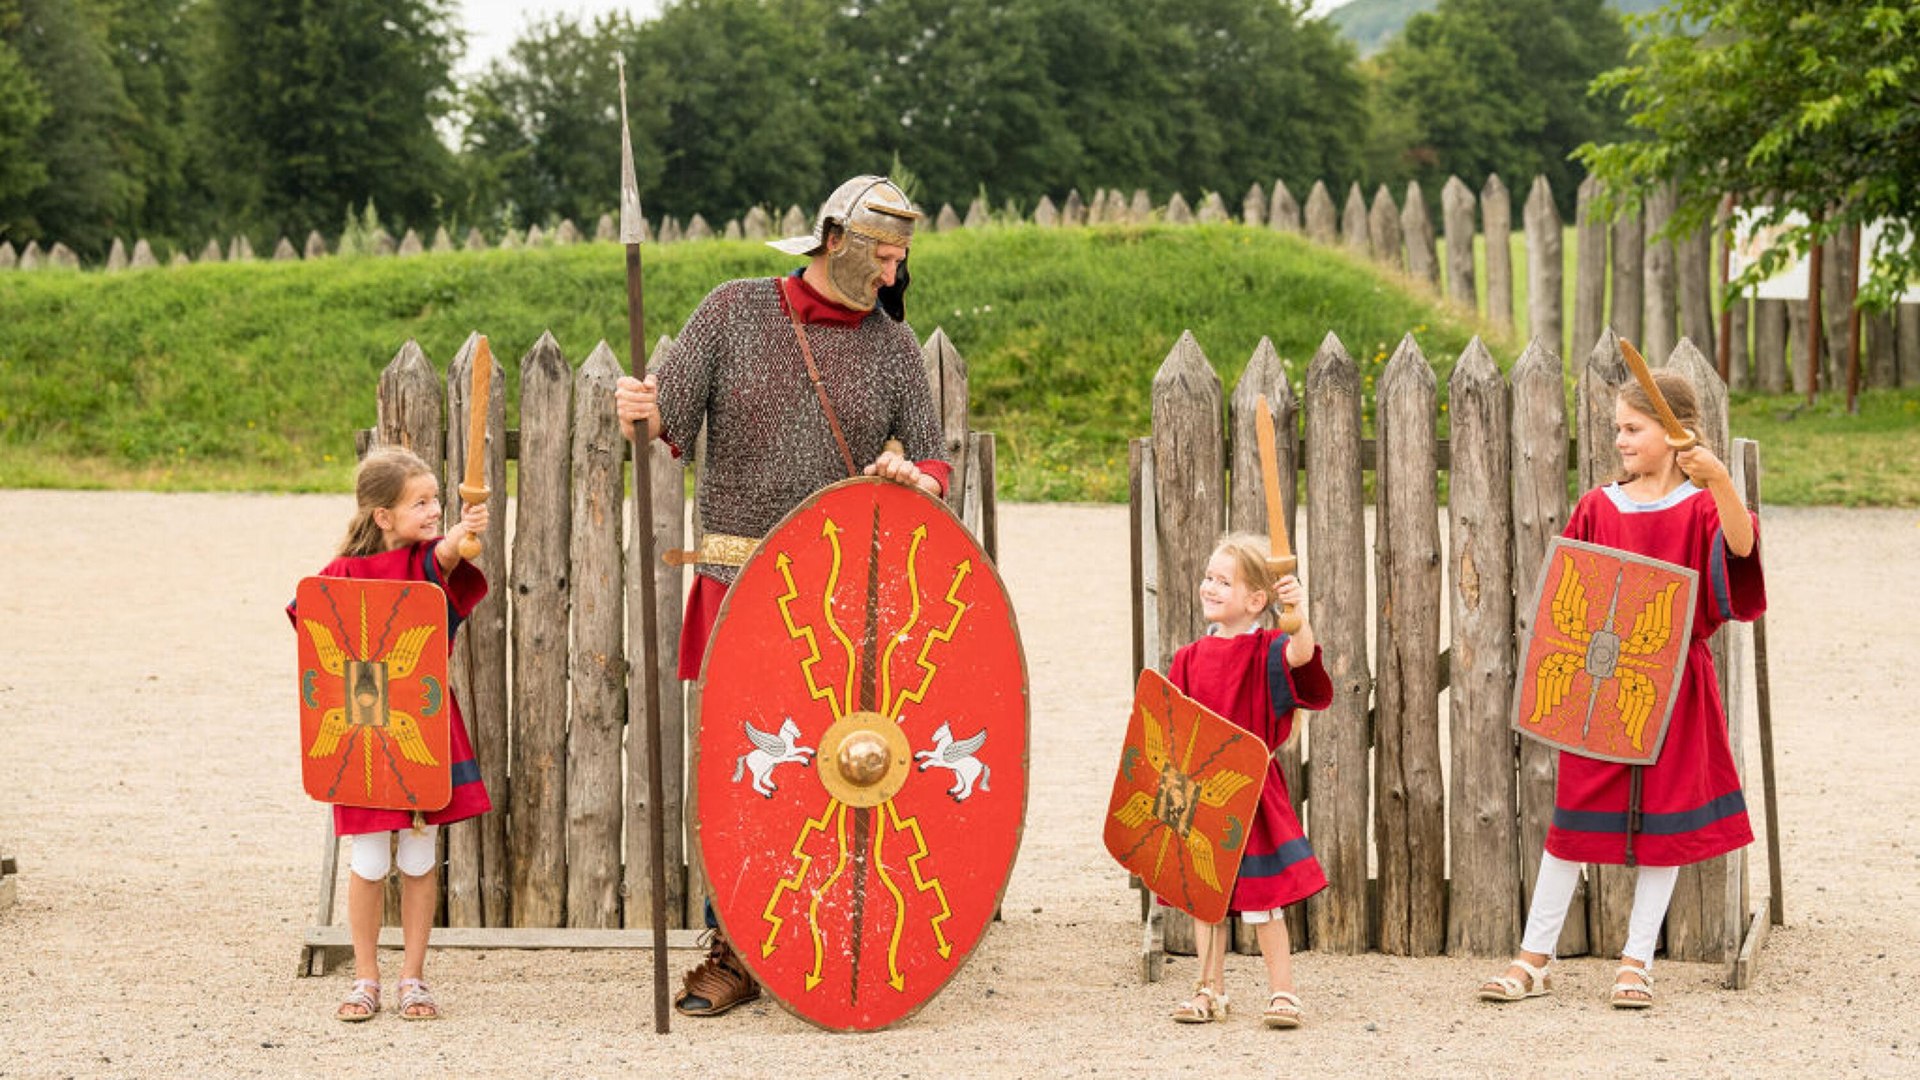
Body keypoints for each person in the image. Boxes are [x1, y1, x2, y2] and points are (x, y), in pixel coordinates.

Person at [615, 174, 950, 1017]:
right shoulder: (734, 312)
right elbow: (667, 425)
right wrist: (638, 410)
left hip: (843, 597)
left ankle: (830, 940)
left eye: (901, 257)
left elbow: (939, 457)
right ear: (835, 239)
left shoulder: (891, 347)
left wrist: (915, 473)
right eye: (883, 254)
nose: (892, 272)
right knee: (749, 770)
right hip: (739, 581)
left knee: (840, 768)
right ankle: (732, 948)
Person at [1480, 370, 1763, 1009]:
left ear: (1673, 433)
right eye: (1617, 429)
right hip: (1598, 690)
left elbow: (1741, 551)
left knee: (1664, 820)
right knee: (1573, 818)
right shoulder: (1597, 506)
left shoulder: (1701, 507)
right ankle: (1534, 958)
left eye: (1633, 429)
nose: (1621, 440)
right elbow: (1570, 600)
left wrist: (1717, 478)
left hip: (1674, 688)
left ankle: (1637, 961)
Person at [291, 446, 492, 1022]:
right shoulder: (338, 577)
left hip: (418, 728)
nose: (431, 510)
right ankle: (365, 978)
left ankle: (413, 978)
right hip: (363, 735)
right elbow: (317, 634)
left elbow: (449, 555)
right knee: (372, 858)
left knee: (421, 855)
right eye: (420, 502)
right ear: (383, 516)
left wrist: (461, 529)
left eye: (435, 500)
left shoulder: (427, 561)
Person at [1164, 534, 1332, 1028]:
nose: (1209, 587)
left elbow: (1302, 658)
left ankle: (1283, 993)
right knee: (1206, 898)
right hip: (1198, 792)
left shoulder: (1269, 649)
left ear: (1256, 600)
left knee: (1262, 901)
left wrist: (1296, 612)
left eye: (1223, 581)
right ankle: (1208, 989)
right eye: (1208, 578)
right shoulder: (1188, 658)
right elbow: (1171, 729)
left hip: (1249, 791)